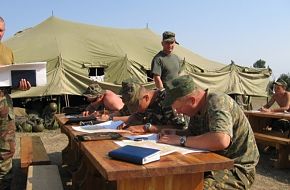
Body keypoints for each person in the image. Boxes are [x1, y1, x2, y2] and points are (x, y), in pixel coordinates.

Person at [159, 75, 259, 190]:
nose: (178, 112)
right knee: (174, 180)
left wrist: (181, 140)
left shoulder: (217, 101)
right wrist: (175, 133)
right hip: (213, 163)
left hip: (237, 168)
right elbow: (193, 134)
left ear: (192, 101)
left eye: (179, 108)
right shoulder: (197, 109)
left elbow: (221, 140)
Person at [0, 16, 31, 189]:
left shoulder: (8, 51)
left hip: (4, 104)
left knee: (6, 150)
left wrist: (22, 86)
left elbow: (11, 82)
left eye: (1, 30)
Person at [113, 79, 188, 133]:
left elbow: (181, 128)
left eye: (136, 107)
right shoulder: (141, 103)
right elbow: (137, 116)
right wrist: (128, 123)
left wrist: (147, 127)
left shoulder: (167, 100)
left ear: (146, 98)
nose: (134, 110)